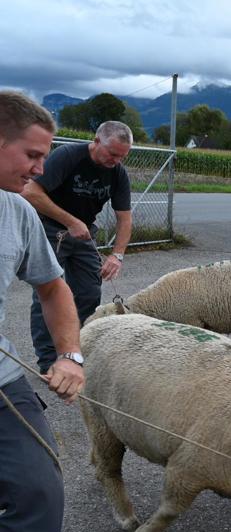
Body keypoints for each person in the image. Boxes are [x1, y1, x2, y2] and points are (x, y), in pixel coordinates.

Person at [0, 90, 86, 532]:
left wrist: (70, 355)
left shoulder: (17, 211)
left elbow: (54, 288)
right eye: (31, 155)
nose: (39, 169)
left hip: (3, 384)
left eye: (44, 157)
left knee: (40, 491)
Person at [22, 120, 132, 373]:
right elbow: (31, 191)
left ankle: (74, 350)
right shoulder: (68, 156)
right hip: (49, 230)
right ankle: (49, 360)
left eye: (122, 156)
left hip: (84, 236)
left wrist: (117, 255)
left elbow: (124, 217)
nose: (116, 160)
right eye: (112, 153)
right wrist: (70, 221)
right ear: (96, 142)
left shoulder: (117, 172)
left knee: (89, 293)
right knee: (48, 293)